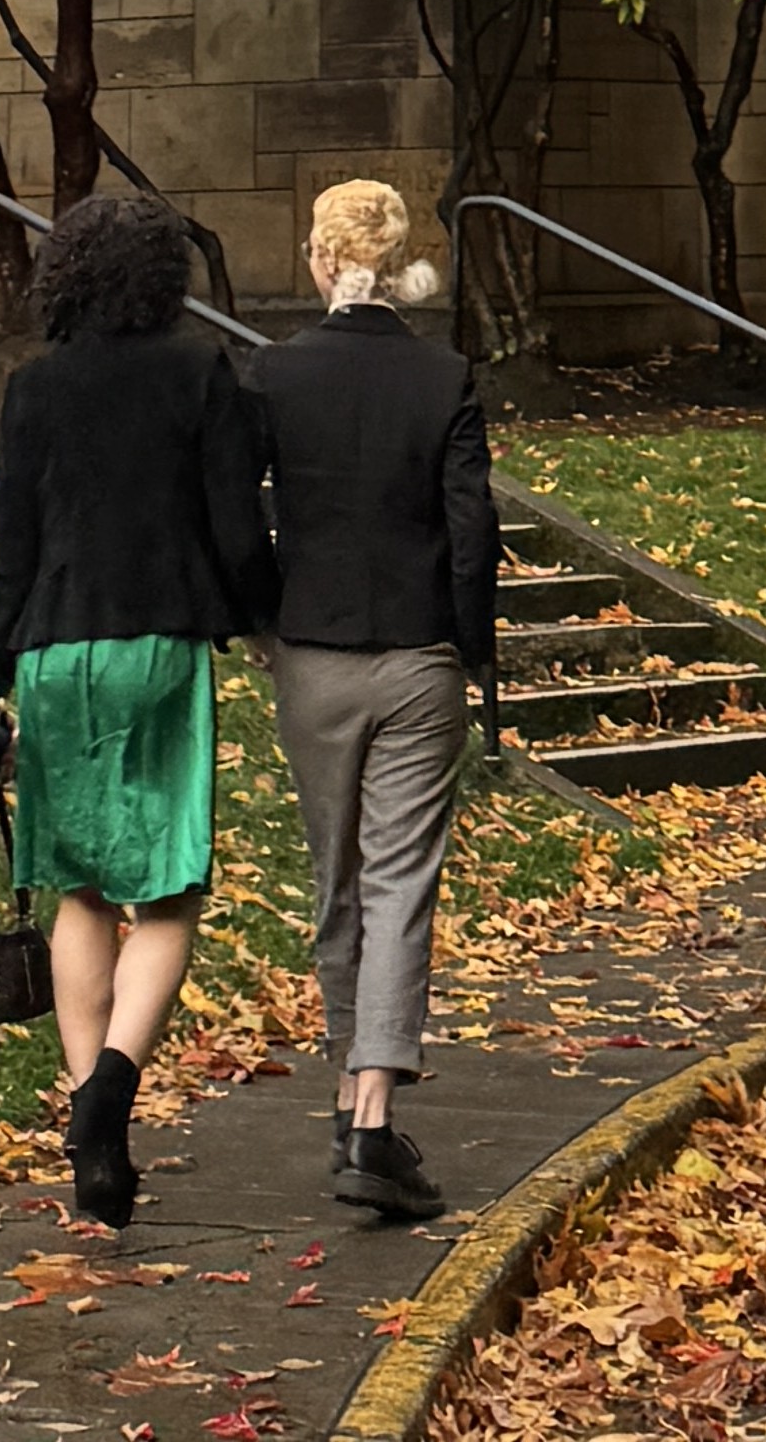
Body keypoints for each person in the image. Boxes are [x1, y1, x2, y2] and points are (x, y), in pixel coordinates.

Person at [0, 185, 273, 1234]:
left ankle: (85, 1115)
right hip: (161, 650)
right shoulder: (199, 371)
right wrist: (257, 615)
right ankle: (112, 1086)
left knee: (81, 890)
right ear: (162, 276)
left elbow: (12, 550)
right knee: (169, 889)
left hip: (52, 652)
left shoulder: (32, 390)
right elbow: (237, 530)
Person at [249, 174, 501, 1226]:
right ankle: (369, 1109)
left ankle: (350, 1088)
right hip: (418, 655)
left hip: (310, 652)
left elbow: (234, 507)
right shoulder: (445, 377)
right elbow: (472, 529)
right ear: (400, 271)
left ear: (320, 260)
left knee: (337, 876)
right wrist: (472, 651)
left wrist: (262, 620)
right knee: (402, 879)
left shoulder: (272, 375)